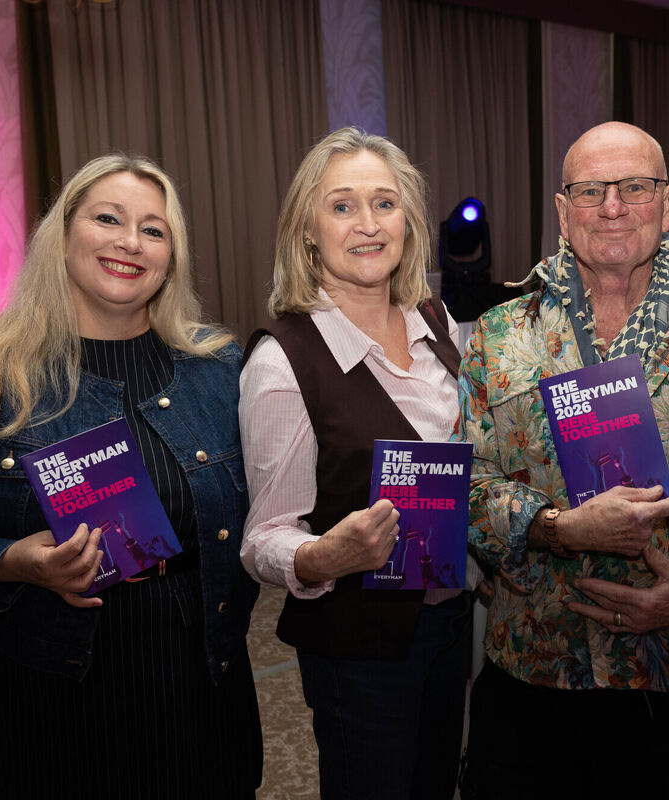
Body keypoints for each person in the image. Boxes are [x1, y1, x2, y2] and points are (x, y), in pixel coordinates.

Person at [0, 154, 262, 798]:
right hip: (31, 694)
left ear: (171, 256)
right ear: (61, 239)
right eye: (108, 219)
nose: (130, 242)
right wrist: (9, 561)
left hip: (190, 680)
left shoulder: (220, 369)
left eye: (153, 229)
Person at [455, 121, 669, 799]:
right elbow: (465, 486)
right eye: (591, 191)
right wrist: (556, 528)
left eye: (635, 187)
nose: (613, 207)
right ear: (563, 211)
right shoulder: (498, 336)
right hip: (532, 674)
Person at [239, 127, 472, 800]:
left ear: (408, 220)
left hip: (451, 622)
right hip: (360, 647)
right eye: (342, 206)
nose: (368, 224)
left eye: (384, 203)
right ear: (308, 231)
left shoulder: (439, 325)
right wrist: (321, 557)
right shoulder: (283, 360)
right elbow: (263, 538)